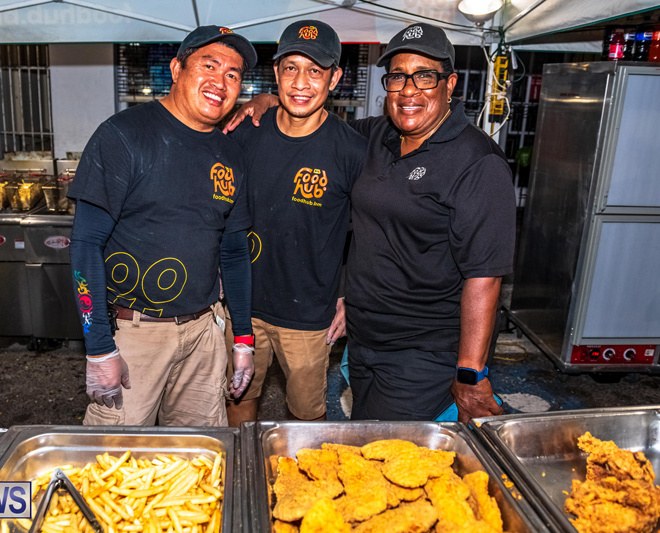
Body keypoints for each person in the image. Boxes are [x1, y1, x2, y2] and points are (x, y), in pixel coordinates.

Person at [224, 22, 515, 423]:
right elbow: (312, 123)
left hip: (422, 348)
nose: (409, 90)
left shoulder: (477, 161)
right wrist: (267, 99)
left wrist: (470, 372)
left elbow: (485, 276)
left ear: (451, 84)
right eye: (398, 77)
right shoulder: (378, 135)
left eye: (425, 76)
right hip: (365, 337)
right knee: (362, 431)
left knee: (386, 451)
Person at [68, 26, 258, 427]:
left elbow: (235, 252)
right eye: (209, 65)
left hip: (205, 334)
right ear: (176, 68)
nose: (220, 82)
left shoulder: (230, 154)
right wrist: (99, 348)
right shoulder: (123, 136)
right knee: (113, 466)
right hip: (134, 334)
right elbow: (85, 244)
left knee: (202, 462)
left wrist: (243, 339)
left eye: (233, 74)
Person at [224, 20, 367, 426]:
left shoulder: (352, 151)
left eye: (315, 71)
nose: (300, 82)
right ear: (276, 73)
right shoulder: (244, 133)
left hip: (309, 313)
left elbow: (365, 235)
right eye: (291, 68)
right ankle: (241, 479)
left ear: (335, 78)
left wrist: (346, 294)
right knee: (239, 400)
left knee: (306, 417)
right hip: (242, 306)